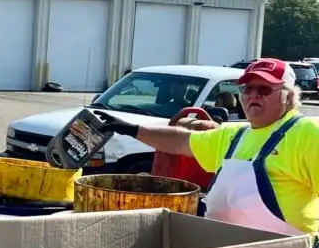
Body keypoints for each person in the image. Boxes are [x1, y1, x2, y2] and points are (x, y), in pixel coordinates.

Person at [98, 58, 319, 238]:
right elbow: (182, 141)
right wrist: (133, 130)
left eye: (263, 89)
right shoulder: (235, 135)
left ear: (288, 95)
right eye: (247, 88)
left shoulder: (306, 133)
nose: (253, 95)